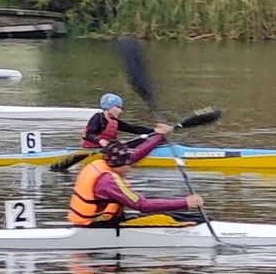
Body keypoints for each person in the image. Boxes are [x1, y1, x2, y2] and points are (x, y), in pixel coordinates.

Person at [67, 129, 203, 227]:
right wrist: (186, 202)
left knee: (183, 216)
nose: (131, 167)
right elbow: (142, 205)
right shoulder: (108, 182)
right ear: (120, 164)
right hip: (97, 226)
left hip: (99, 219)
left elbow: (137, 153)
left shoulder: (104, 162)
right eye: (128, 165)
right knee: (174, 220)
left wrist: (160, 136)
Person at [82, 92, 152, 150]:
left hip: (109, 148)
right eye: (118, 107)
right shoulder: (98, 118)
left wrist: (154, 131)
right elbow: (88, 135)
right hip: (92, 149)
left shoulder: (114, 121)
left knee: (143, 140)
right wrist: (100, 141)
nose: (120, 111)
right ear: (108, 107)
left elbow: (132, 128)